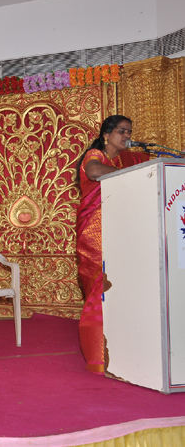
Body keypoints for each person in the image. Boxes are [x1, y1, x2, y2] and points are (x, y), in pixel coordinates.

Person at [75, 115, 149, 375]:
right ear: (106, 135)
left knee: (121, 289)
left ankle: (124, 348)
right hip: (96, 233)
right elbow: (94, 172)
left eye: (129, 131)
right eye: (121, 131)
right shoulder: (95, 154)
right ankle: (98, 356)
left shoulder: (128, 159)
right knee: (101, 288)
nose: (127, 136)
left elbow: (154, 163)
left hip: (121, 231)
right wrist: (131, 175)